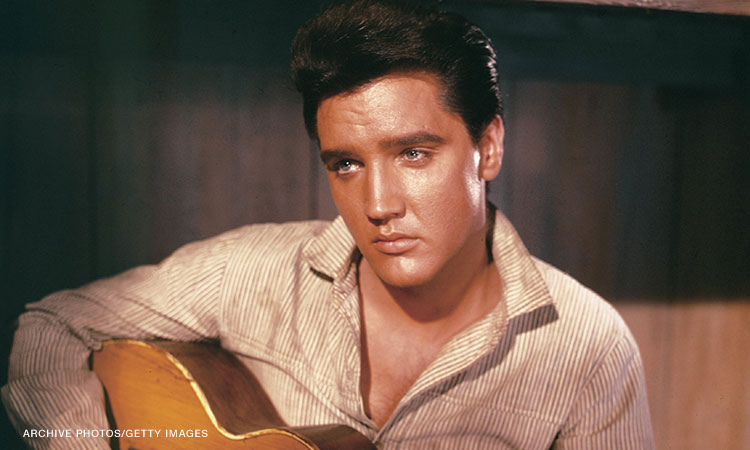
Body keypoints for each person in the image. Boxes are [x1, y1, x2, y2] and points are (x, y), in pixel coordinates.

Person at [2, 0, 654, 448]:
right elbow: (54, 323)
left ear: (487, 146)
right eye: (345, 163)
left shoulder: (589, 347)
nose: (377, 204)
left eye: (413, 154)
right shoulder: (250, 272)